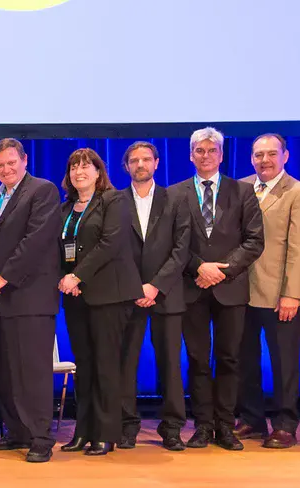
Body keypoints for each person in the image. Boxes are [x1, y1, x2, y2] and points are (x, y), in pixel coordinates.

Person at [172, 127, 264, 451]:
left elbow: (255, 241)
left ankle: (226, 426)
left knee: (229, 359)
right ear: (191, 154)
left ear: (222, 155)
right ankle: (202, 426)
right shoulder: (175, 193)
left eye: (212, 151)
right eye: (200, 151)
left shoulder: (243, 192)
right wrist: (199, 266)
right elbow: (171, 244)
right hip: (190, 287)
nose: (206, 156)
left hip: (231, 288)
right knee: (198, 360)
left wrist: (221, 271)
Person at [0, 139, 64, 463]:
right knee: (5, 371)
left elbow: (36, 241)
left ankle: (41, 438)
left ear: (24, 160)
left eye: (11, 163)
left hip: (30, 297)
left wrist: (3, 278)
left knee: (33, 372)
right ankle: (16, 432)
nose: (6, 169)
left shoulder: (43, 191)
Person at [233, 133, 300, 449]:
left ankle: (285, 424)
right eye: (258, 154)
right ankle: (251, 418)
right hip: (240, 291)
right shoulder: (239, 187)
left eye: (271, 154)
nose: (264, 160)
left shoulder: (299, 192)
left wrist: (293, 293)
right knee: (244, 359)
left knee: (285, 362)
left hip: (279, 293)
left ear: (286, 156)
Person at [110, 142, 192, 451]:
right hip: (127, 296)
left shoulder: (176, 199)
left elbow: (182, 248)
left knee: (170, 364)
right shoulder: (114, 201)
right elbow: (113, 250)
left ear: (157, 163)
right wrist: (136, 287)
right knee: (125, 363)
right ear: (126, 166)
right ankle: (127, 424)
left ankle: (171, 427)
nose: (140, 164)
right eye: (134, 160)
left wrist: (156, 285)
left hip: (166, 295)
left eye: (146, 159)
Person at [55, 148, 123, 455]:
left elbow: (110, 244)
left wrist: (78, 276)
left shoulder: (113, 201)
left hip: (106, 296)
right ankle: (82, 431)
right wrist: (64, 278)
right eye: (74, 167)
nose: (79, 172)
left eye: (86, 167)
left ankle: (105, 433)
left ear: (98, 172)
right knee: (84, 365)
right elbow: (58, 249)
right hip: (75, 297)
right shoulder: (65, 208)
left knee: (105, 366)